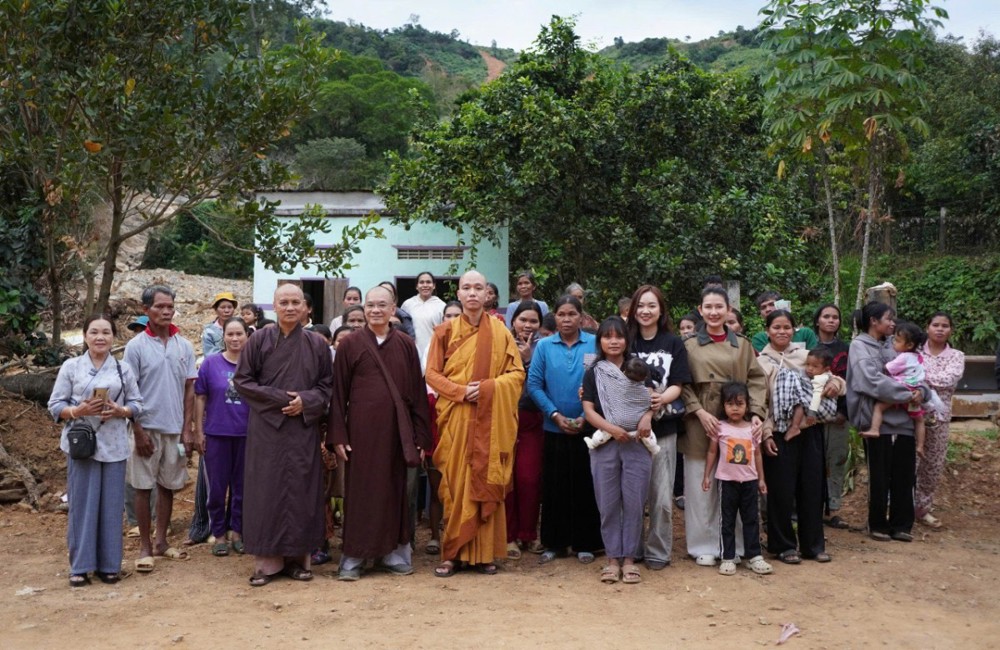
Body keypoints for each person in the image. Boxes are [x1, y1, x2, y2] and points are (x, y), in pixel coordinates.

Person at [329, 285, 433, 581]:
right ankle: (354, 556)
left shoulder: (405, 345)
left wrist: (420, 436)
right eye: (370, 305)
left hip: (398, 434)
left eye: (381, 305)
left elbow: (416, 391)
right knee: (361, 493)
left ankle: (394, 554)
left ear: (393, 308)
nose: (375, 310)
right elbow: (338, 394)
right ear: (363, 309)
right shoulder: (350, 345)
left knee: (395, 491)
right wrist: (339, 435)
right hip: (361, 433)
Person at [233, 283, 334, 586]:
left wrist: (306, 402)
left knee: (302, 490)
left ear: (306, 308)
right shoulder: (259, 340)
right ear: (273, 307)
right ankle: (267, 564)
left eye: (296, 302)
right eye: (284, 302)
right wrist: (282, 400)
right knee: (266, 491)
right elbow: (243, 382)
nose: (290, 308)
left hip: (302, 428)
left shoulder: (317, 345)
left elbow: (327, 386)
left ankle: (299, 561)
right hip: (267, 429)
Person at [426, 270, 525, 577]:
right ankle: (452, 553)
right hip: (456, 416)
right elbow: (431, 374)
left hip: (489, 421)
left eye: (478, 288)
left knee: (485, 479)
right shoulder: (443, 331)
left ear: (487, 295)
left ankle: (484, 554)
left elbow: (517, 375)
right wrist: (460, 392)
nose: (472, 293)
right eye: (466, 288)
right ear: (457, 294)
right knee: (455, 486)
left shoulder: (500, 332)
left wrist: (485, 389)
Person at [49, 315, 143, 587]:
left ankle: (109, 565)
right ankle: (80, 567)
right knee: (82, 506)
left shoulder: (123, 369)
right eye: (94, 332)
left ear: (114, 337)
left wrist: (120, 410)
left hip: (114, 444)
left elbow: (137, 404)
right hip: (82, 445)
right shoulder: (71, 367)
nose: (100, 337)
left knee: (112, 507)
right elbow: (55, 405)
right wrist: (77, 411)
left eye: (105, 332)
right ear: (85, 336)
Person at [680, 287, 767, 567]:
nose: (714, 312)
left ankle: (738, 546)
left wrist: (755, 412)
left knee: (737, 483)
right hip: (700, 421)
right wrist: (699, 411)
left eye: (720, 307)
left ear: (728, 309)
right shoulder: (689, 344)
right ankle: (703, 545)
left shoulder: (741, 345)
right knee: (700, 486)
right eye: (709, 307)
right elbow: (680, 382)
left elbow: (756, 379)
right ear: (700, 309)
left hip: (736, 423)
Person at [758, 310, 843, 564]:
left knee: (812, 489)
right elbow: (760, 400)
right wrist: (765, 433)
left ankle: (813, 545)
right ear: (767, 331)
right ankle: (782, 545)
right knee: (781, 491)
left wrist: (836, 385)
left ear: (794, 329)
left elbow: (834, 377)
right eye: (776, 327)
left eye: (786, 326)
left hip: (811, 430)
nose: (782, 331)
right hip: (780, 433)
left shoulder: (807, 355)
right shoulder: (761, 361)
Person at [124, 284, 198, 573]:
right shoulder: (136, 347)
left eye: (170, 306)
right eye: (159, 306)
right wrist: (138, 430)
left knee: (169, 485)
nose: (166, 311)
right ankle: (144, 546)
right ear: (146, 310)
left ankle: (161, 542)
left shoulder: (185, 345)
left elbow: (189, 389)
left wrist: (187, 429)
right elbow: (129, 391)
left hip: (174, 428)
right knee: (143, 487)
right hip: (146, 427)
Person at [527, 294, 602, 565]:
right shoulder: (545, 346)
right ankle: (554, 543)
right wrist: (554, 414)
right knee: (555, 487)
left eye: (572, 314)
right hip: (553, 426)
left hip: (588, 427)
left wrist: (585, 415)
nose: (567, 319)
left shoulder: (594, 344)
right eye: (562, 314)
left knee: (585, 485)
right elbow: (534, 384)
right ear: (555, 317)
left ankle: (586, 543)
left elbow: (602, 381)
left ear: (581, 317)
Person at [581, 317, 655, 584]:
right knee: (608, 503)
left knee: (635, 502)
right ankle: (612, 559)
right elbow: (588, 410)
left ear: (627, 339)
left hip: (637, 442)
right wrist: (611, 429)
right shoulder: (594, 372)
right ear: (599, 340)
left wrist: (647, 418)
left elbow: (651, 400)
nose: (613, 341)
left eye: (619, 336)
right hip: (605, 443)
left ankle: (630, 559)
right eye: (607, 336)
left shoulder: (638, 368)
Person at [847, 302, 927, 543]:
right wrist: (907, 394)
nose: (893, 323)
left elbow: (918, 374)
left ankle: (902, 524)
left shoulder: (898, 345)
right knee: (879, 477)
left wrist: (922, 391)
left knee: (905, 475)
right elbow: (868, 381)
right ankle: (878, 523)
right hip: (876, 422)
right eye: (888, 319)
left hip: (905, 422)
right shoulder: (859, 346)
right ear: (874, 321)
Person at [626, 285, 692, 570]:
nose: (645, 311)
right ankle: (631, 549)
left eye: (652, 305)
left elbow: (678, 383)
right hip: (627, 430)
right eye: (640, 305)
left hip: (664, 428)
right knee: (630, 495)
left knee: (662, 498)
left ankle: (658, 551)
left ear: (661, 310)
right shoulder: (626, 341)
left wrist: (659, 400)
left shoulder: (673, 343)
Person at [701, 381, 772, 576]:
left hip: (749, 481)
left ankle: (754, 556)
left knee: (751, 519)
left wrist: (761, 479)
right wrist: (706, 476)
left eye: (740, 404)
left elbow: (757, 455)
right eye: (730, 404)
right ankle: (728, 557)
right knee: (727, 520)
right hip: (726, 481)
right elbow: (712, 452)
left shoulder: (753, 429)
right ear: (723, 406)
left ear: (747, 405)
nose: (735, 408)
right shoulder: (720, 427)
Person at [194, 317, 251, 558]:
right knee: (217, 489)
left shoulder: (253, 365)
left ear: (247, 336)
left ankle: (236, 532)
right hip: (217, 434)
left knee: (241, 488)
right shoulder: (210, 363)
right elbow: (200, 397)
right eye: (231, 334)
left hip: (246, 435)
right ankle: (218, 534)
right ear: (223, 336)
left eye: (239, 334)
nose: (235, 338)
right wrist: (198, 430)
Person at [860, 321, 944, 453]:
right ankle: (920, 446)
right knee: (919, 420)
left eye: (897, 340)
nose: (893, 343)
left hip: (899, 391)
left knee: (879, 407)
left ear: (909, 345)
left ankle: (875, 429)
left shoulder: (903, 357)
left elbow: (888, 368)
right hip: (914, 393)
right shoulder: (919, 357)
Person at [504, 300, 546, 559]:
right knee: (507, 480)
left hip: (532, 418)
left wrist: (529, 361)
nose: (528, 325)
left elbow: (541, 385)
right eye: (523, 320)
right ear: (513, 321)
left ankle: (528, 534)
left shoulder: (544, 348)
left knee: (529, 479)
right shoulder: (501, 344)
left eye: (533, 321)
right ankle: (507, 536)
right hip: (505, 418)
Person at [916, 312, 965, 528]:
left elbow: (949, 379)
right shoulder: (915, 352)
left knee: (932, 465)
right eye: (935, 324)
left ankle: (922, 509)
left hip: (940, 417)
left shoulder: (957, 356)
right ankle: (902, 508)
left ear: (950, 330)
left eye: (945, 326)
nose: (940, 329)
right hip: (912, 414)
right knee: (910, 462)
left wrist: (922, 378)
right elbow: (907, 376)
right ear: (927, 327)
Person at [812, 303, 852, 528]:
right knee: (814, 462)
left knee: (836, 459)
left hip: (839, 416)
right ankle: (812, 507)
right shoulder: (808, 346)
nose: (831, 320)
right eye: (826, 316)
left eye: (835, 317)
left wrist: (844, 412)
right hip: (813, 417)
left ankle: (833, 509)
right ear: (817, 320)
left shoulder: (847, 349)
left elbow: (852, 381)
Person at [584, 357, 660, 456]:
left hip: (613, 424)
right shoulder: (646, 392)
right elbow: (651, 403)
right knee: (648, 437)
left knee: (601, 435)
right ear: (645, 377)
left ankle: (593, 443)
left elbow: (602, 396)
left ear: (623, 373)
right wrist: (648, 415)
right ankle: (654, 448)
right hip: (636, 428)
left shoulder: (614, 385)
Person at [750, 291, 818, 353]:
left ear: (782, 305)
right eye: (763, 307)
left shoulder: (806, 333)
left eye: (771, 304)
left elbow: (815, 360)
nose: (767, 309)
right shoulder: (759, 338)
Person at [400, 271, 445, 362]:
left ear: (434, 285)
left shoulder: (441, 306)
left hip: (434, 352)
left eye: (428, 282)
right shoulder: (408, 304)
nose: (425, 285)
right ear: (417, 286)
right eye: (421, 282)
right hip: (412, 352)